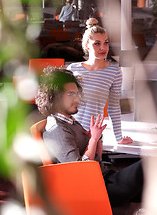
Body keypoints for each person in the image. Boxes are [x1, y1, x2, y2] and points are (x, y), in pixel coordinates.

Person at [35, 67, 144, 207]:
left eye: (76, 93)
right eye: (71, 94)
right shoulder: (57, 130)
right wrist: (92, 140)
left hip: (103, 179)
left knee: (152, 186)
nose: (77, 98)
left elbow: (95, 161)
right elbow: (79, 171)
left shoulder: (70, 122)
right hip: (98, 189)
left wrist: (96, 140)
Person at [67, 23, 133, 144]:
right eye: (97, 43)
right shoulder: (73, 69)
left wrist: (118, 137)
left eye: (106, 43)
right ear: (87, 45)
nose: (103, 48)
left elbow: (113, 107)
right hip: (69, 131)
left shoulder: (114, 72)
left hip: (92, 136)